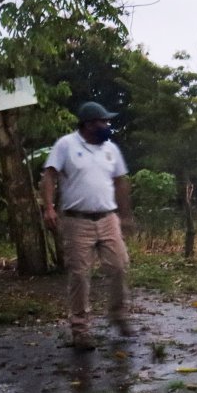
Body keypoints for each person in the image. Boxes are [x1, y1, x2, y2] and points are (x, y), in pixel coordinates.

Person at [41, 101, 135, 350]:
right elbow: (49, 175)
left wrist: (125, 214)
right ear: (88, 124)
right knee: (80, 275)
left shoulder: (111, 149)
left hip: (108, 218)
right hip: (76, 220)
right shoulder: (66, 145)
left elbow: (121, 181)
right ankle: (80, 330)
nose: (106, 126)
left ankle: (118, 314)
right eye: (102, 121)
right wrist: (49, 207)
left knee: (119, 266)